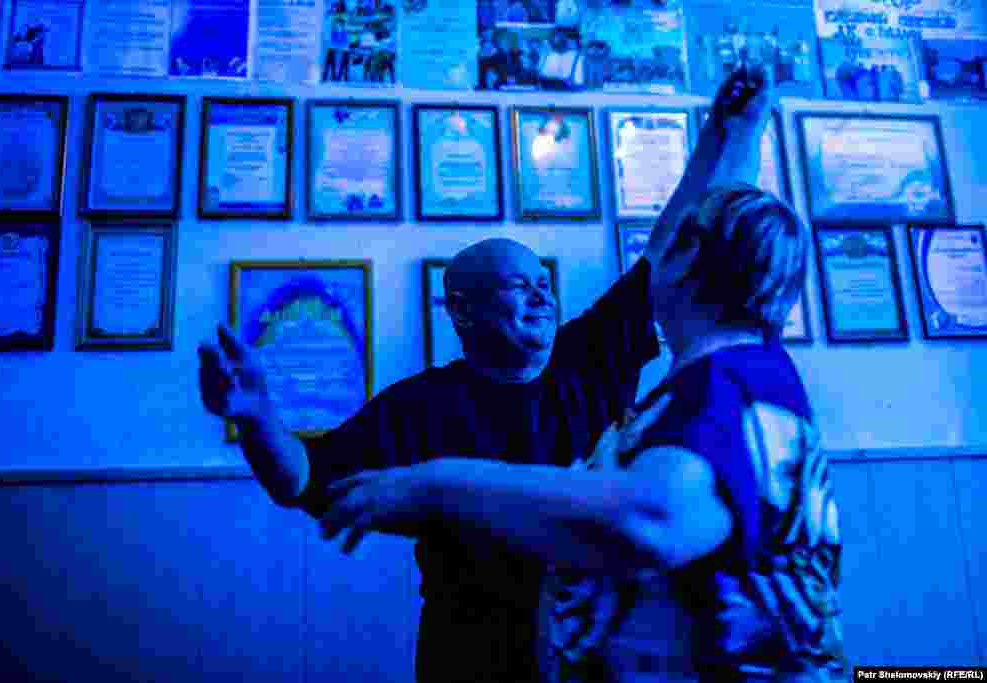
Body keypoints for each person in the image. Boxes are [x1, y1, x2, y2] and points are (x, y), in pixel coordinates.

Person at [198, 66, 773, 683]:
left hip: (591, 653)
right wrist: (258, 419)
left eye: (544, 285)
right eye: (517, 287)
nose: (541, 299)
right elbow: (305, 481)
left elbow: (670, 241)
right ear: (464, 311)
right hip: (468, 658)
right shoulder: (418, 408)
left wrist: (731, 133)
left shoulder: (590, 359)